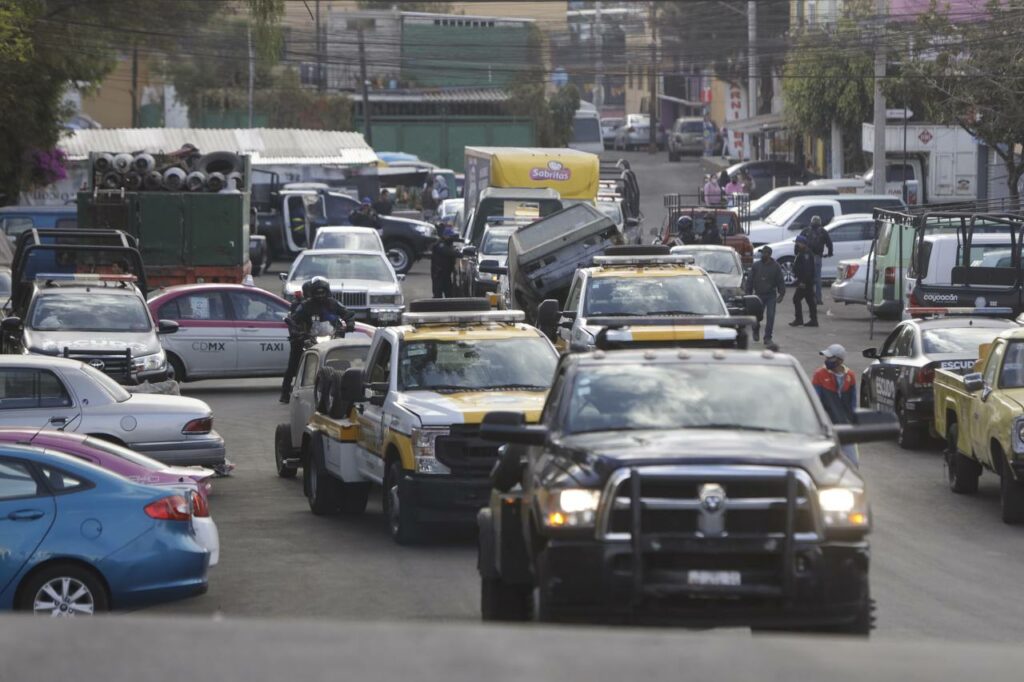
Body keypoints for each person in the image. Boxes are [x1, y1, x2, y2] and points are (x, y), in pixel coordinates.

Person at [280, 276, 356, 403]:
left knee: (344, 359)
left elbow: (348, 314)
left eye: (323, 292)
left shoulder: (333, 303)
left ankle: (346, 388)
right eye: (317, 292)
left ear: (327, 291)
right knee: (294, 362)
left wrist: (349, 324)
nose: (320, 295)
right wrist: (296, 330)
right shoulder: (305, 306)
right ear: (312, 292)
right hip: (310, 338)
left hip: (331, 337)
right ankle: (285, 392)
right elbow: (293, 319)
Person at [812, 344, 859, 465]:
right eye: (826, 357)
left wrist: (854, 423)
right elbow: (815, 401)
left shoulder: (850, 376)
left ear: (840, 360)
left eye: (829, 358)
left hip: (845, 427)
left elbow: (853, 404)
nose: (826, 360)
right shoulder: (819, 375)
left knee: (853, 463)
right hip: (826, 428)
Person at [746, 245, 785, 347]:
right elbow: (749, 280)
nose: (763, 255)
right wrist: (748, 294)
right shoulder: (756, 266)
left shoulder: (776, 266)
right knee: (757, 316)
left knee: (770, 316)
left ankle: (768, 337)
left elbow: (780, 281)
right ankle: (756, 329)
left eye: (766, 253)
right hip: (758, 295)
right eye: (762, 253)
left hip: (770, 295)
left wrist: (781, 293)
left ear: (769, 254)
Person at [801, 215, 833, 305]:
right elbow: (829, 244)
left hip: (807, 257)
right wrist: (830, 253)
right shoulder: (823, 231)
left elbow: (799, 242)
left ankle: (809, 298)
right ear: (820, 223)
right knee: (818, 279)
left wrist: (800, 253)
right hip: (817, 257)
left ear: (811, 222)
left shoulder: (805, 231)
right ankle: (818, 299)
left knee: (808, 278)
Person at [789, 234, 818, 327]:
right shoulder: (802, 253)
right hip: (805, 281)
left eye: (797, 243)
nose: (796, 245)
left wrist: (803, 282)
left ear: (802, 244)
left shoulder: (806, 254)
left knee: (796, 299)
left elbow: (807, 270)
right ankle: (813, 320)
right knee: (810, 300)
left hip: (805, 282)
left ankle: (799, 319)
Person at [431, 226, 460, 298]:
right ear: (445, 236)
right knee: (438, 294)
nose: (452, 238)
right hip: (438, 273)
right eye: (450, 236)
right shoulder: (440, 244)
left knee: (449, 293)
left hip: (446, 273)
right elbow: (448, 252)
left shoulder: (448, 244)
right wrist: (459, 254)